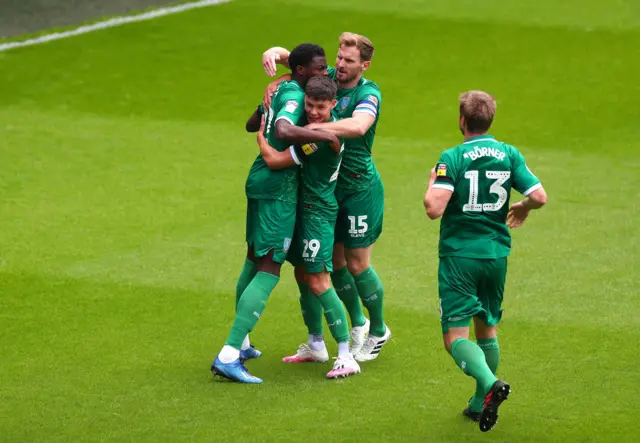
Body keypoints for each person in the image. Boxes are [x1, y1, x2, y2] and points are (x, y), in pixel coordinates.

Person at [211, 43, 339, 384]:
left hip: (259, 179)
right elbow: (282, 131)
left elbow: (253, 123)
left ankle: (245, 343)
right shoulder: (297, 96)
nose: (325, 72)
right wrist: (321, 135)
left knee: (253, 259)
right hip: (278, 188)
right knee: (269, 265)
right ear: (301, 71)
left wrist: (269, 97)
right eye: (319, 67)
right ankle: (228, 354)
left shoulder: (285, 86)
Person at [423, 90, 548, 432]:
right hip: (496, 256)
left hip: (460, 256)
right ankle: (479, 403)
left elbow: (434, 209)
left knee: (455, 336)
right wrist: (522, 207)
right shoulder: (508, 153)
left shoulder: (453, 156)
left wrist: (433, 181)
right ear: (489, 119)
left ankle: (491, 384)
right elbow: (538, 196)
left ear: (462, 120)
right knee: (487, 328)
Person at [261, 32, 390, 361]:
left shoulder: (368, 92)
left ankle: (378, 329)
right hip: (329, 190)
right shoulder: (329, 79)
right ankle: (357, 324)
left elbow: (360, 126)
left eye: (349, 60)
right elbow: (295, 61)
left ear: (365, 64)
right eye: (339, 58)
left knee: (358, 265)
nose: (341, 65)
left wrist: (312, 131)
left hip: (359, 188)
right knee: (333, 263)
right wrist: (278, 64)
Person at [257, 75, 361, 379]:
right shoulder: (316, 128)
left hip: (318, 214)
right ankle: (316, 343)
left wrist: (263, 134)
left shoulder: (321, 139)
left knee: (318, 281)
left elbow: (275, 160)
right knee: (303, 276)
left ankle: (345, 354)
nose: (314, 112)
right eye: (309, 105)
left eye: (320, 106)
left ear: (332, 104)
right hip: (304, 211)